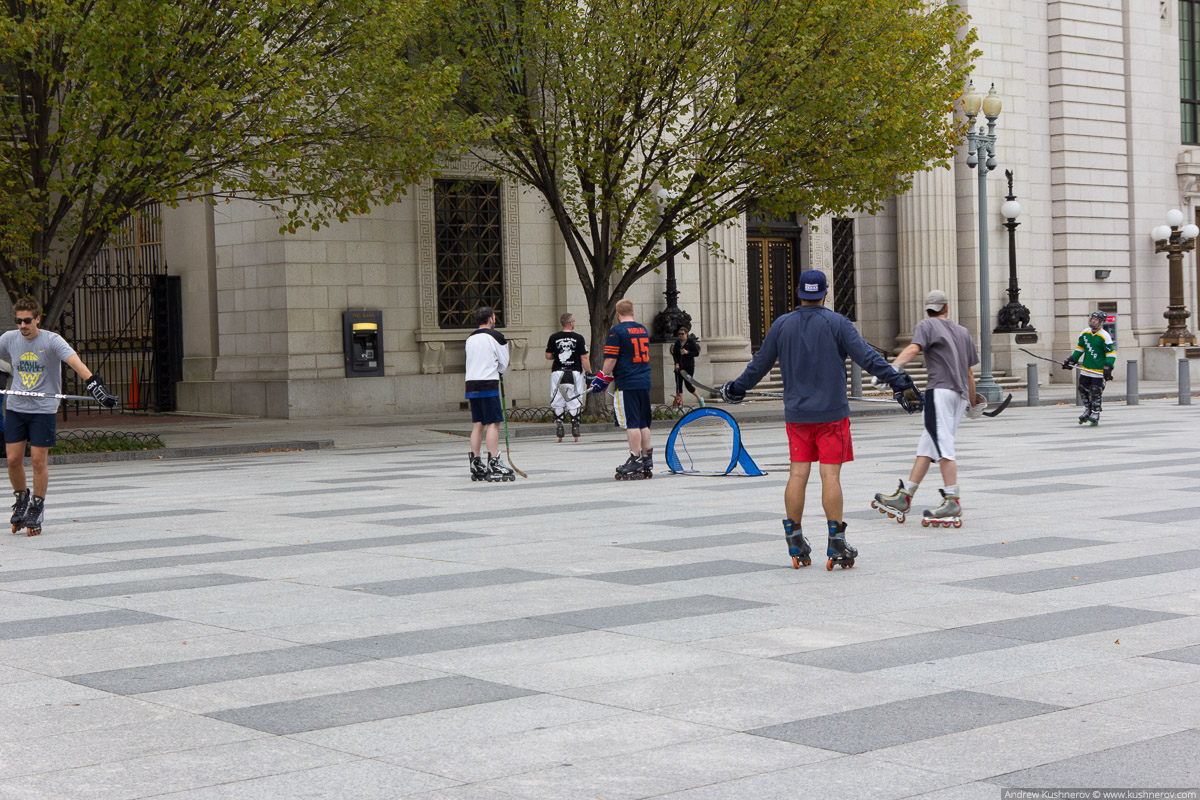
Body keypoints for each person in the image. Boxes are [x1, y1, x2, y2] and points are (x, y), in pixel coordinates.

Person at [720, 270, 921, 570]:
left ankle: (795, 538)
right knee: (830, 476)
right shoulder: (838, 323)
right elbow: (867, 358)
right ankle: (836, 542)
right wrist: (898, 381)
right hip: (832, 415)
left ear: (799, 292)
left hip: (798, 416)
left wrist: (735, 388)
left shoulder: (782, 325)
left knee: (798, 474)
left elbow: (758, 365)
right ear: (825, 293)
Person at [1, 298, 118, 535]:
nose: (22, 326)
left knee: (37, 460)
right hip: (16, 406)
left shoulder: (52, 340)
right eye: (18, 321)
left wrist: (94, 385)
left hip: (43, 410)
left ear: (37, 319)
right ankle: (21, 499)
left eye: (27, 321)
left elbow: (75, 362)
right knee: (13, 459)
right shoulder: (9, 339)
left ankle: (37, 506)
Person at [871, 289, 978, 528]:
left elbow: (912, 349)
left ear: (928, 310)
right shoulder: (963, 332)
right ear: (947, 308)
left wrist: (889, 371)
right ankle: (905, 496)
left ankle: (952, 499)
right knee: (928, 444)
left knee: (943, 444)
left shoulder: (926, 325)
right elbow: (970, 374)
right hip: (959, 395)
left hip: (939, 391)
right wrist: (972, 403)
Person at [590, 298, 654, 480]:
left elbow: (611, 359)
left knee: (631, 422)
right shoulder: (642, 329)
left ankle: (634, 457)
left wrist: (602, 378)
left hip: (627, 381)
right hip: (644, 379)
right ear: (632, 312)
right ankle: (646, 457)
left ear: (617, 314)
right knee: (643, 422)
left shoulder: (616, 331)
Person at [464, 306, 514, 482]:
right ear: (491, 319)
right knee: (493, 422)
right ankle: (494, 460)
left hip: (471, 383)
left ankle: (476, 461)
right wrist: (498, 369)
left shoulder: (470, 338)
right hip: (487, 382)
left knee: (478, 423)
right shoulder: (496, 336)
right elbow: (503, 363)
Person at [544, 312, 591, 442]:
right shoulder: (579, 338)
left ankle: (559, 426)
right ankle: (575, 426)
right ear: (570, 323)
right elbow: (584, 357)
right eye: (573, 321)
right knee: (574, 398)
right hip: (575, 372)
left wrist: (558, 355)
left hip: (558, 371)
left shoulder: (554, 337)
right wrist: (589, 373)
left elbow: (548, 355)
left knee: (557, 398)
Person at [1063, 309, 1115, 426]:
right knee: (1082, 389)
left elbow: (1111, 353)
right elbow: (1080, 348)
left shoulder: (1104, 336)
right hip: (1086, 369)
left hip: (1098, 370)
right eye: (1093, 319)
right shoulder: (1085, 333)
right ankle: (1087, 409)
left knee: (1096, 391)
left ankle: (1096, 412)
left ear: (1101, 322)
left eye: (1096, 320)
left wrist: (1108, 366)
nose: (1093, 321)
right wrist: (1071, 360)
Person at [670, 325, 704, 408]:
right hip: (679, 367)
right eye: (679, 334)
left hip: (689, 366)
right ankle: (679, 405)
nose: (680, 336)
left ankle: (700, 399)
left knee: (688, 385)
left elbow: (696, 353)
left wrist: (687, 352)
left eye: (682, 334)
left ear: (686, 334)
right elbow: (675, 355)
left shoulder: (691, 342)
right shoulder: (678, 343)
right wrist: (676, 363)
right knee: (678, 386)